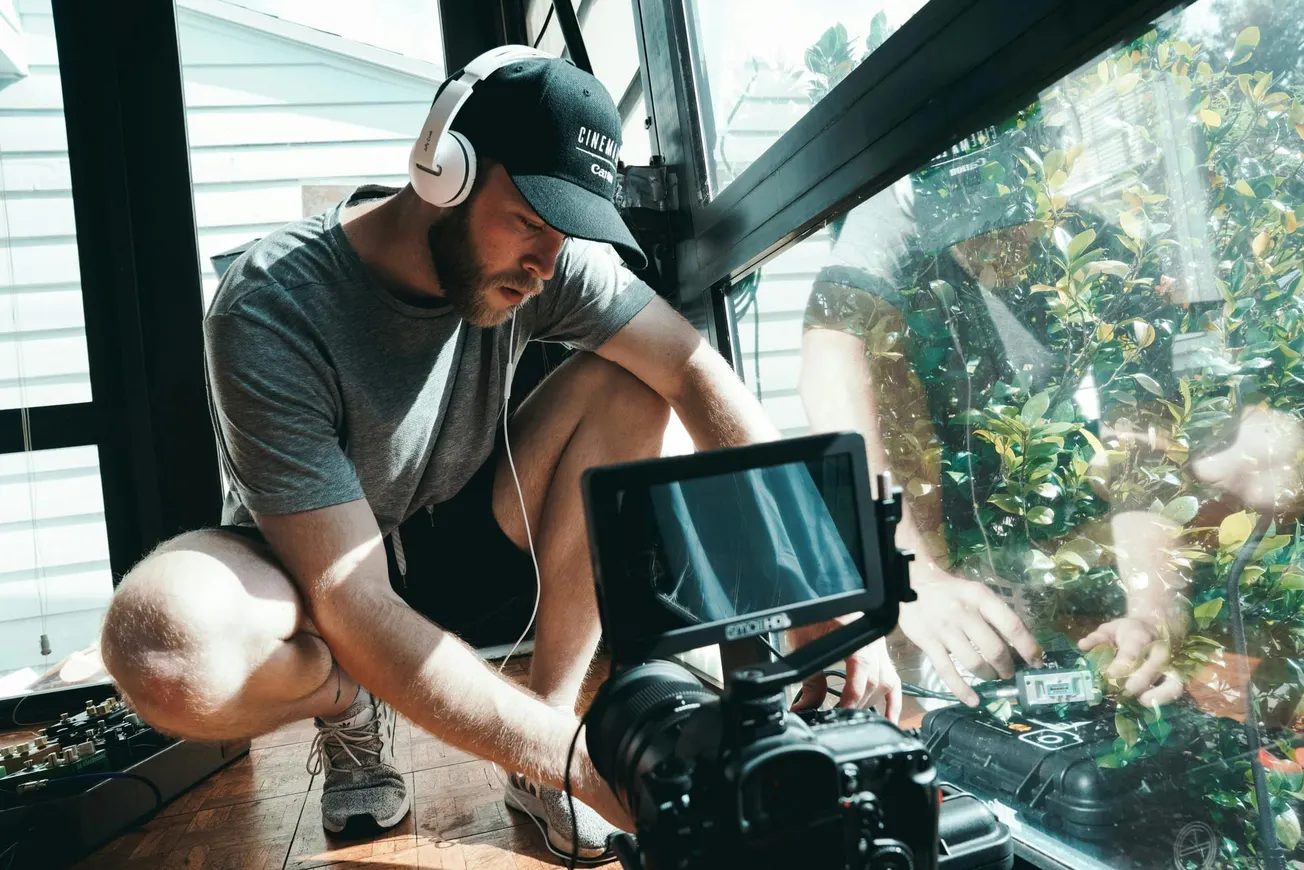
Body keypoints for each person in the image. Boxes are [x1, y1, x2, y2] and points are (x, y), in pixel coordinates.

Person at [94, 52, 890, 863]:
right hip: (310, 572)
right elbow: (351, 597)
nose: (546, 264)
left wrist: (830, 590)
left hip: (456, 534)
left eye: (565, 231)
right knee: (161, 649)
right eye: (531, 221)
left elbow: (692, 369)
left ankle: (534, 757)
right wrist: (585, 763)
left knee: (637, 386)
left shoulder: (550, 261)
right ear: (443, 168)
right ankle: (347, 707)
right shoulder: (273, 301)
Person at [799, 116, 1192, 712]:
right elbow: (829, 364)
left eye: (1012, 227)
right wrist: (911, 575)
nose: (993, 247)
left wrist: (1152, 609)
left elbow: (1141, 438)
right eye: (973, 234)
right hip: (925, 522)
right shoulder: (894, 218)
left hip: (1048, 522)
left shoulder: (1101, 253)